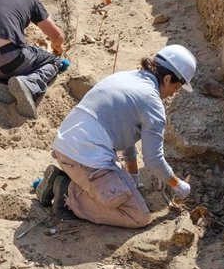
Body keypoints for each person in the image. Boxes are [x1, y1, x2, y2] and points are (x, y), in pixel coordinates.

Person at [35, 44, 197, 228]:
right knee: (137, 215)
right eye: (175, 88)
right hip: (86, 159)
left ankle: (68, 182)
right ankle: (66, 192)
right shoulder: (152, 103)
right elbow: (153, 160)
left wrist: (134, 175)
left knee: (124, 186)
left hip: (64, 148)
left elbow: (125, 135)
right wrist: (178, 185)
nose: (172, 94)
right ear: (167, 79)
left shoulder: (125, 77)